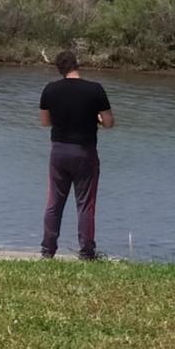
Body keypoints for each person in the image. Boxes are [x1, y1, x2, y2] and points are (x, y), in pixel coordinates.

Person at [39, 49, 115, 260]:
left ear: (59, 69)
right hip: (85, 152)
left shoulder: (50, 90)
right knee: (85, 204)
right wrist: (96, 119)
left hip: (59, 151)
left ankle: (47, 250)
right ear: (77, 65)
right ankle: (86, 252)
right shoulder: (95, 90)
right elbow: (109, 122)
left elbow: (45, 122)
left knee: (54, 202)